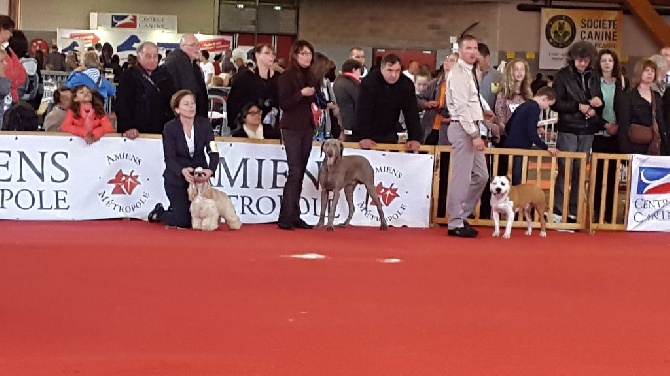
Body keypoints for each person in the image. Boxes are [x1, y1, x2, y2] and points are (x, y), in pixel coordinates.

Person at [148, 90, 220, 229]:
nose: (191, 107)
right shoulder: (170, 128)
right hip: (176, 179)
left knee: (204, 215)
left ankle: (175, 209)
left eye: (193, 103)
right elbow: (169, 158)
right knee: (184, 221)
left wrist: (210, 170)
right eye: (186, 104)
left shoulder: (204, 124)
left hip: (199, 180)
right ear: (177, 109)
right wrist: (182, 171)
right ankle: (160, 213)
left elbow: (213, 150)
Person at [551, 40, 603, 222]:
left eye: (586, 60)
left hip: (587, 129)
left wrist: (596, 106)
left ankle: (573, 210)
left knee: (580, 171)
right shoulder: (561, 76)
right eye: (579, 60)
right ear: (572, 59)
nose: (582, 63)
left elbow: (598, 98)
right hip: (568, 128)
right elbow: (556, 103)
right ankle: (558, 210)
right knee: (565, 169)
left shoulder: (594, 76)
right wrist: (578, 107)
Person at [445, 35, 489, 238]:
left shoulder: (470, 72)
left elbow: (472, 100)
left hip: (472, 126)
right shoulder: (459, 73)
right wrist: (474, 134)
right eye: (468, 48)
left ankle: (461, 215)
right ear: (460, 50)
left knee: (481, 176)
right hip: (464, 129)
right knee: (462, 178)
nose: (473, 51)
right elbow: (462, 107)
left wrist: (484, 113)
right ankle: (455, 222)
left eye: (475, 48)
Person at [276, 40, 318, 231]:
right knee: (294, 171)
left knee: (300, 171)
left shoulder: (310, 75)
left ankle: (294, 215)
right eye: (303, 54)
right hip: (291, 127)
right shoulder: (287, 76)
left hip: (307, 127)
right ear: (295, 55)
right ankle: (285, 216)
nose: (307, 57)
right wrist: (301, 93)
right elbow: (284, 103)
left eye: (309, 54)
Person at [354, 53, 421, 151]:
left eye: (397, 71)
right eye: (389, 70)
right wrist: (363, 137)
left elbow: (412, 112)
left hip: (390, 130)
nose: (394, 75)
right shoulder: (369, 82)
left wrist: (415, 138)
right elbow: (362, 111)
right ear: (382, 69)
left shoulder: (406, 84)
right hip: (369, 132)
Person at [592, 49, 629, 223]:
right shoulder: (593, 82)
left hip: (618, 134)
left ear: (615, 63)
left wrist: (618, 126)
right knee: (598, 175)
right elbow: (591, 108)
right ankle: (596, 211)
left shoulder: (623, 82)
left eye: (610, 60)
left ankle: (610, 214)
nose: (607, 63)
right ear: (599, 63)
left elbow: (627, 109)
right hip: (599, 132)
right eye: (604, 60)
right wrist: (605, 125)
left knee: (613, 176)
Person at [116, 41, 177, 139]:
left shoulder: (165, 76)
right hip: (135, 132)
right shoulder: (128, 76)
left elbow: (172, 102)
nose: (153, 60)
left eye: (155, 56)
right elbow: (122, 103)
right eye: (148, 56)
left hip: (161, 130)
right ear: (139, 58)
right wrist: (128, 126)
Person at [501, 86, 559, 185]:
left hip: (508, 146)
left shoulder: (524, 105)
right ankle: (518, 200)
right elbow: (531, 133)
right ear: (545, 98)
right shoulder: (534, 108)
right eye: (548, 105)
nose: (547, 108)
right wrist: (546, 147)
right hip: (520, 149)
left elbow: (509, 126)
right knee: (519, 182)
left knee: (505, 179)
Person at [618, 59, 668, 156]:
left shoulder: (657, 96)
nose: (650, 73)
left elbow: (661, 122)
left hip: (655, 146)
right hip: (634, 146)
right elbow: (624, 124)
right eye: (646, 70)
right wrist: (626, 150)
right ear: (639, 72)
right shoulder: (629, 96)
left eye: (652, 71)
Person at [226, 43, 281, 130]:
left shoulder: (278, 78)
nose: (271, 56)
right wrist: (234, 125)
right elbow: (233, 101)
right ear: (257, 55)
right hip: (248, 126)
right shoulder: (244, 77)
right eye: (267, 53)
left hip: (272, 126)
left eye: (273, 54)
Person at [163, 34, 208, 117]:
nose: (197, 48)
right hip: (183, 116)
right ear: (182, 46)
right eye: (192, 45)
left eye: (198, 45)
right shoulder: (177, 63)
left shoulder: (191, 63)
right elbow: (187, 89)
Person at [333, 58, 363, 141]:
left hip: (342, 123)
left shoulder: (338, 82)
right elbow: (360, 102)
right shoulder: (352, 84)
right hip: (351, 125)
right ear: (354, 69)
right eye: (359, 71)